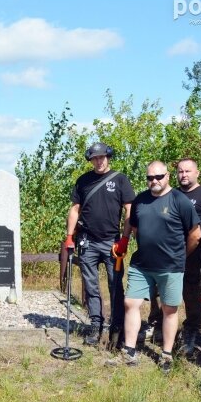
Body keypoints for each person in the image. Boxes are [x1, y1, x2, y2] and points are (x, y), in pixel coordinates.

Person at [108, 161, 201, 372]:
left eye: (158, 177)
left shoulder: (179, 200)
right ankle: (129, 351)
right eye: (150, 178)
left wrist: (181, 256)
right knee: (131, 303)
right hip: (142, 264)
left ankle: (166, 354)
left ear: (167, 176)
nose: (154, 181)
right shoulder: (140, 199)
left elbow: (195, 234)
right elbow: (132, 225)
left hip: (171, 266)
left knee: (169, 309)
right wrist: (125, 240)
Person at [65, 142, 134, 346]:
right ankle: (95, 324)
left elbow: (129, 210)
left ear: (108, 157)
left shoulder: (120, 179)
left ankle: (117, 326)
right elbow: (75, 209)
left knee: (115, 285)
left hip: (113, 242)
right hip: (87, 241)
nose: (99, 161)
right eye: (95, 158)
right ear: (91, 160)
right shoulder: (83, 181)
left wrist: (125, 238)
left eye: (102, 157)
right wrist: (69, 236)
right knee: (91, 285)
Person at [148, 158, 201, 354]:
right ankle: (159, 325)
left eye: (188, 171)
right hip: (165, 255)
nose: (184, 175)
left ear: (197, 173)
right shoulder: (170, 194)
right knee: (160, 291)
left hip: (194, 255)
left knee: (192, 295)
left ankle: (190, 331)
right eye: (180, 172)